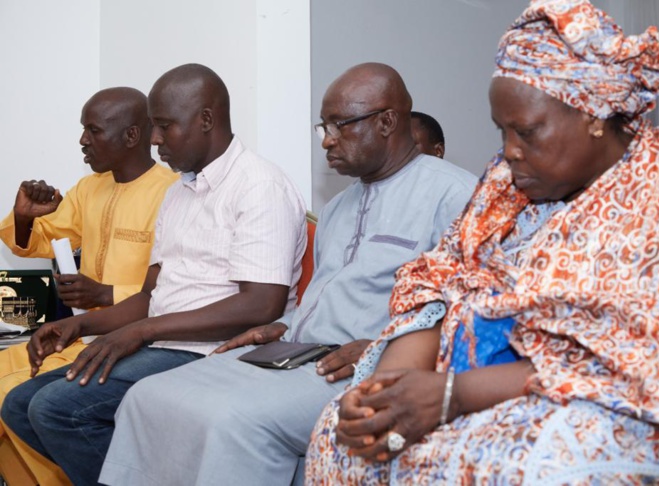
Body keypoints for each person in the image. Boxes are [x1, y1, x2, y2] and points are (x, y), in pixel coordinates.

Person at [306, 0, 659, 484]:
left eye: (526, 131)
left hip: (623, 412)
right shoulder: (506, 188)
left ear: (593, 115)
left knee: (527, 462)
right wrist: (392, 387)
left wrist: (454, 395)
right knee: (341, 436)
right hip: (463, 385)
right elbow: (442, 278)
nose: (509, 151)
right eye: (502, 131)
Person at [98, 62, 477, 486]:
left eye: (340, 125)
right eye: (323, 127)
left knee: (229, 419)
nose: (327, 140)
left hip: (361, 368)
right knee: (146, 397)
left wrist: (381, 347)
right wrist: (280, 325)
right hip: (295, 352)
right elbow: (326, 295)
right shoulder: (338, 208)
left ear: (387, 122)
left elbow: (476, 314)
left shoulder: (458, 197)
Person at [1, 63, 307, 486]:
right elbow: (151, 295)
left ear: (205, 119)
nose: (156, 138)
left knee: (56, 408)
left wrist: (140, 331)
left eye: (164, 125)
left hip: (213, 350)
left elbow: (261, 305)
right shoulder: (179, 193)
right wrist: (78, 325)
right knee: (19, 404)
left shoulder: (259, 186)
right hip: (161, 341)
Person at [0, 87, 177, 486]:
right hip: (78, 335)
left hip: (132, 341)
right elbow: (43, 239)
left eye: (93, 130)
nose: (82, 140)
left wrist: (105, 294)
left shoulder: (171, 194)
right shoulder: (89, 188)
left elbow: (176, 290)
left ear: (131, 136)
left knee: (11, 399)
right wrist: (26, 218)